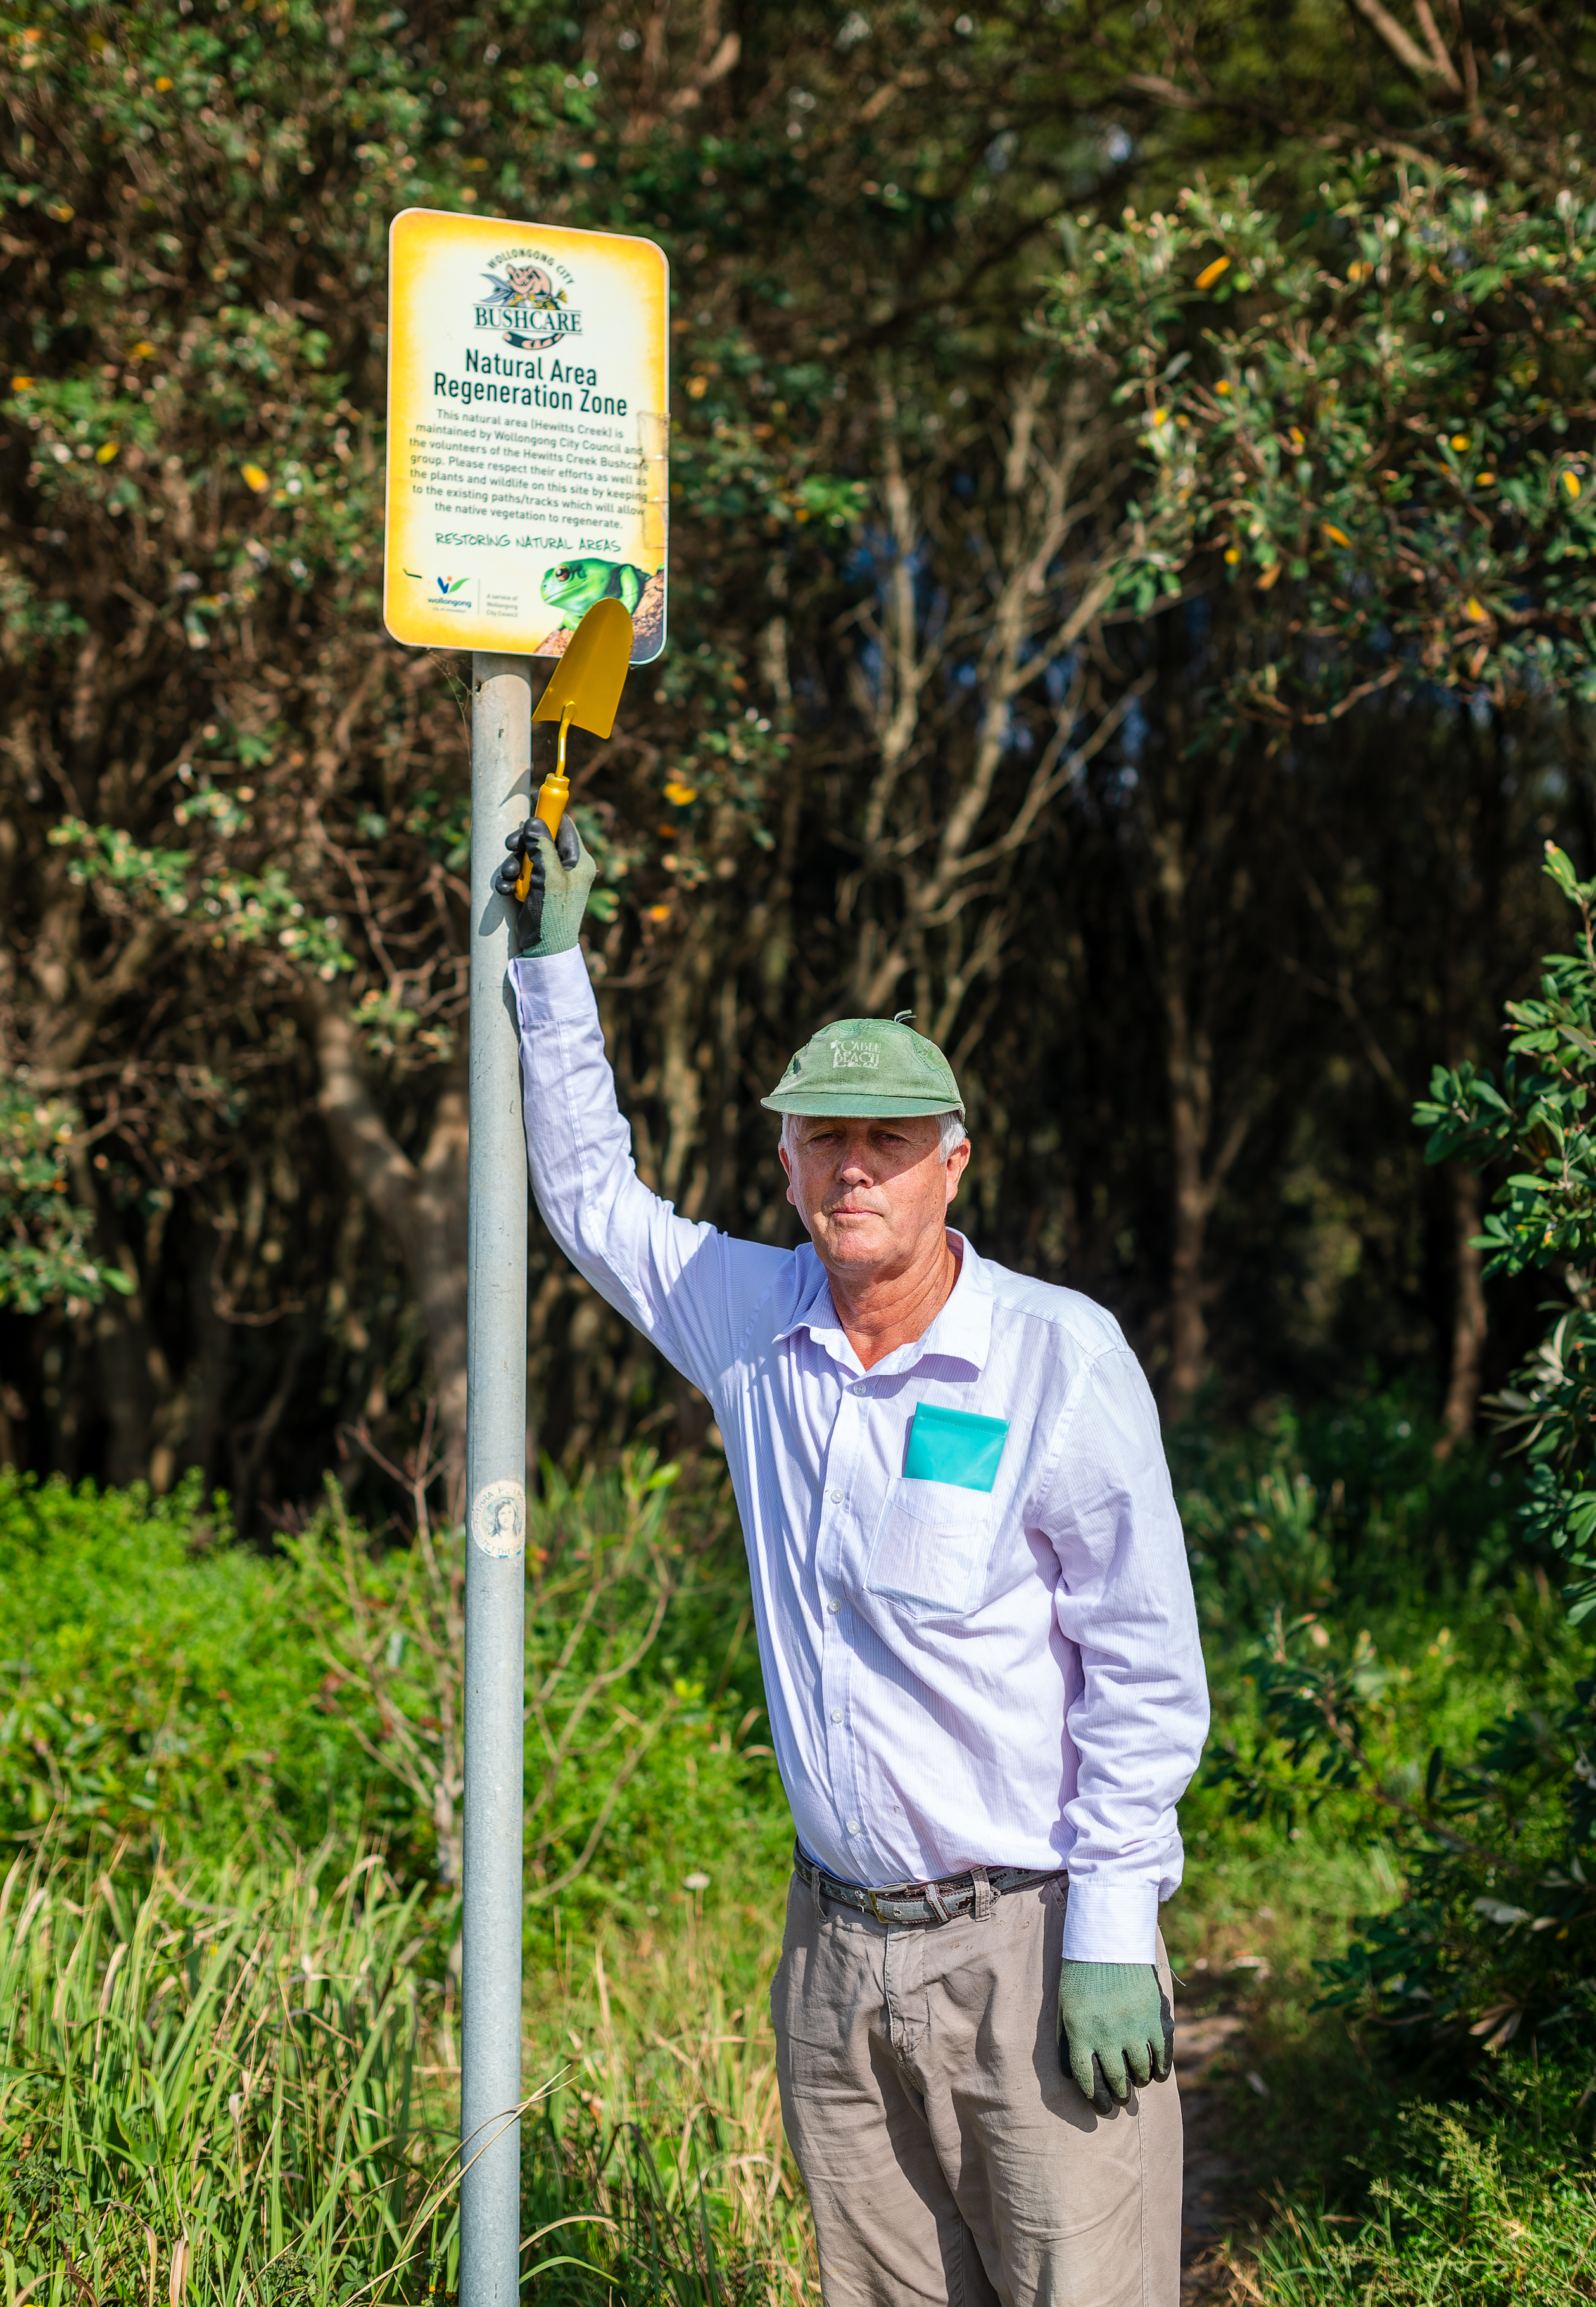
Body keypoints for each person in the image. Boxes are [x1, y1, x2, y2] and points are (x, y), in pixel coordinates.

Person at [498, 811, 1210, 2307]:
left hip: (1027, 1946)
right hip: (835, 1958)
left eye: (890, 1142)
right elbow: (590, 1202)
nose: (856, 1171)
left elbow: (1144, 1671)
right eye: (828, 1138)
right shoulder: (754, 1325)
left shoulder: (1056, 1361)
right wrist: (552, 967)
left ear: (956, 1162)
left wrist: (1112, 1931)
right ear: (788, 1158)